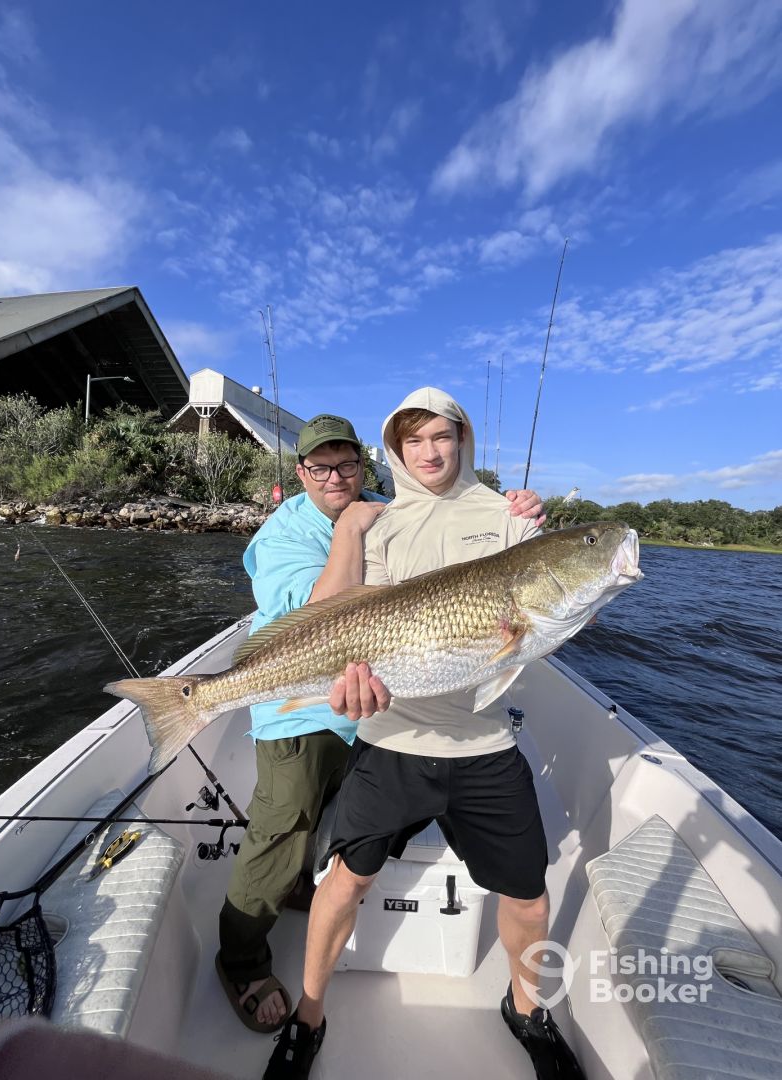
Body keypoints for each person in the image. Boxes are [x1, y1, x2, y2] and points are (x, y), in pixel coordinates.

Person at [263, 389, 584, 1080]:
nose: (430, 452)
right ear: (395, 450)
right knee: (342, 883)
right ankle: (308, 1014)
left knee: (530, 897)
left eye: (442, 436)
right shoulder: (379, 523)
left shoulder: (507, 516)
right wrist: (349, 681)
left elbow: (541, 610)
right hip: (392, 739)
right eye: (414, 441)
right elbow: (348, 619)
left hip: (484, 744)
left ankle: (527, 1009)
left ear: (463, 439)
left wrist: (537, 522)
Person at [216, 411, 545, 1033]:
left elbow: (444, 554)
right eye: (320, 467)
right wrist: (348, 534)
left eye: (346, 464)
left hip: (374, 706)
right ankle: (241, 958)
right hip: (300, 704)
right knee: (285, 825)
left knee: (332, 820)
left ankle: (301, 888)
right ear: (300, 472)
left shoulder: (384, 508)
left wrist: (517, 516)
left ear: (365, 465)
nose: (336, 478)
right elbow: (316, 620)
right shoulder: (286, 533)